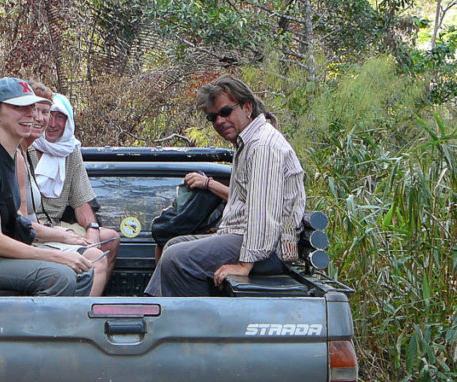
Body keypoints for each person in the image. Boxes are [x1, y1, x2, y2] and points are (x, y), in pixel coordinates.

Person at [144, 75, 305, 297]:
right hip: (245, 237)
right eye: (213, 117)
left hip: (271, 250)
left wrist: (244, 265)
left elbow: (263, 214)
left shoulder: (263, 147)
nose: (219, 121)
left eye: (226, 112)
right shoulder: (246, 144)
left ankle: (196, 327)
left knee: (176, 259)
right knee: (173, 244)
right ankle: (155, 312)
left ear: (247, 107)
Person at [0, 77, 94, 295]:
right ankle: (35, 329)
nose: (30, 114)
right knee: (60, 276)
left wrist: (60, 239)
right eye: (19, 108)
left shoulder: (11, 157)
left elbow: (16, 223)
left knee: (84, 271)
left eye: (32, 107)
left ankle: (64, 328)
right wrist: (58, 256)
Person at [23, 92, 119, 296]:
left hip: (57, 224)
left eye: (60, 117)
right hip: (31, 227)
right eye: (51, 115)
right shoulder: (25, 146)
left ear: (68, 122)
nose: (53, 123)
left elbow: (81, 200)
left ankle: (93, 302)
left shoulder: (71, 150)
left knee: (109, 238)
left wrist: (92, 228)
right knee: (91, 256)